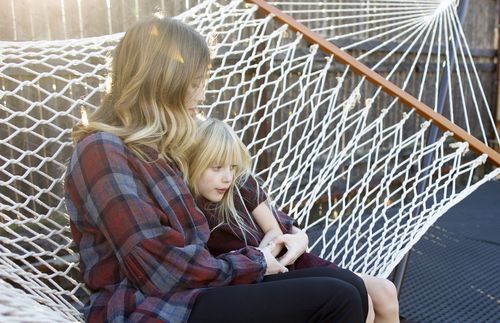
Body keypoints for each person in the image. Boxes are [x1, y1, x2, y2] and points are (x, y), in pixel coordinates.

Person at [64, 15, 367, 323]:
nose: (202, 95)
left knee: (351, 286)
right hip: (150, 307)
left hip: (199, 288)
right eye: (194, 84)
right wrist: (256, 262)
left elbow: (235, 193)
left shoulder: (167, 147)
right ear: (163, 84)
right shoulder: (102, 150)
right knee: (337, 298)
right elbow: (162, 271)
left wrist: (289, 231)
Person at [187, 118, 400, 323]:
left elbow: (273, 229)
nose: (227, 177)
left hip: (286, 260)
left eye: (232, 167)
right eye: (217, 168)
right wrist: (258, 263)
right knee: (366, 305)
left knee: (385, 291)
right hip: (256, 278)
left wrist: (265, 254)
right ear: (194, 163)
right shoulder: (188, 208)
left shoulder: (241, 186)